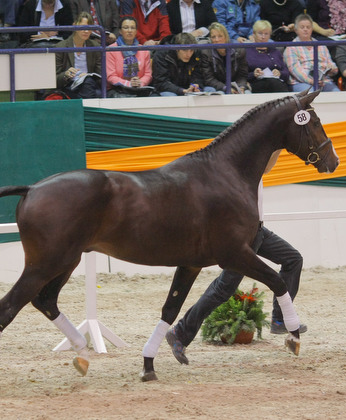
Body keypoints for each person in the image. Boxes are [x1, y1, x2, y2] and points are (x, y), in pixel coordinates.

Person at [165, 150, 306, 365]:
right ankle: (181, 332)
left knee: (293, 259)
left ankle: (279, 319)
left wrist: (278, 145)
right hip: (244, 237)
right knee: (223, 289)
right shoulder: (241, 167)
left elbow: (266, 167)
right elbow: (263, 169)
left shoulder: (252, 162)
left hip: (259, 232)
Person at [284, 14, 340, 92]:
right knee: (310, 95)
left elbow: (332, 66)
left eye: (308, 27)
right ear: (296, 30)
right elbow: (295, 70)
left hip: (324, 81)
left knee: (337, 94)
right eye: (302, 27)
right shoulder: (290, 48)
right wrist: (311, 81)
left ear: (312, 29)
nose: (305, 29)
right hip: (301, 82)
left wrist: (332, 69)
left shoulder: (321, 46)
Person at [55, 12, 102, 98]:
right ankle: (88, 109)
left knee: (87, 82)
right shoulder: (61, 46)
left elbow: (100, 74)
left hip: (89, 83)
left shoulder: (95, 47)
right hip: (69, 84)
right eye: (83, 27)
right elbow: (55, 77)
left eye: (90, 28)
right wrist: (66, 74)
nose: (86, 31)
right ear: (74, 26)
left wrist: (88, 75)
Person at [106, 16, 154, 97]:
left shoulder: (144, 50)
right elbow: (111, 76)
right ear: (120, 31)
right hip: (118, 89)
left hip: (139, 88)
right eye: (126, 28)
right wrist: (129, 83)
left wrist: (140, 82)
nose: (129, 31)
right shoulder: (111, 50)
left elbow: (148, 74)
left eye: (132, 28)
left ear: (136, 31)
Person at [201, 22, 250, 93]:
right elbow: (209, 79)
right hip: (218, 87)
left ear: (226, 37)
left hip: (236, 85)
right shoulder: (206, 52)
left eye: (220, 36)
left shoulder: (239, 49)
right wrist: (226, 88)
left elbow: (242, 75)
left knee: (247, 93)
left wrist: (241, 87)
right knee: (219, 94)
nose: (217, 40)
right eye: (213, 37)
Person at [245, 19, 290, 92]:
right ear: (254, 34)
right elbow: (242, 76)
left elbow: (286, 73)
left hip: (277, 82)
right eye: (260, 33)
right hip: (257, 83)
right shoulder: (247, 52)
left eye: (266, 34)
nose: (263, 37)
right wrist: (254, 74)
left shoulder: (276, 51)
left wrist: (280, 73)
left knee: (277, 84)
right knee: (273, 83)